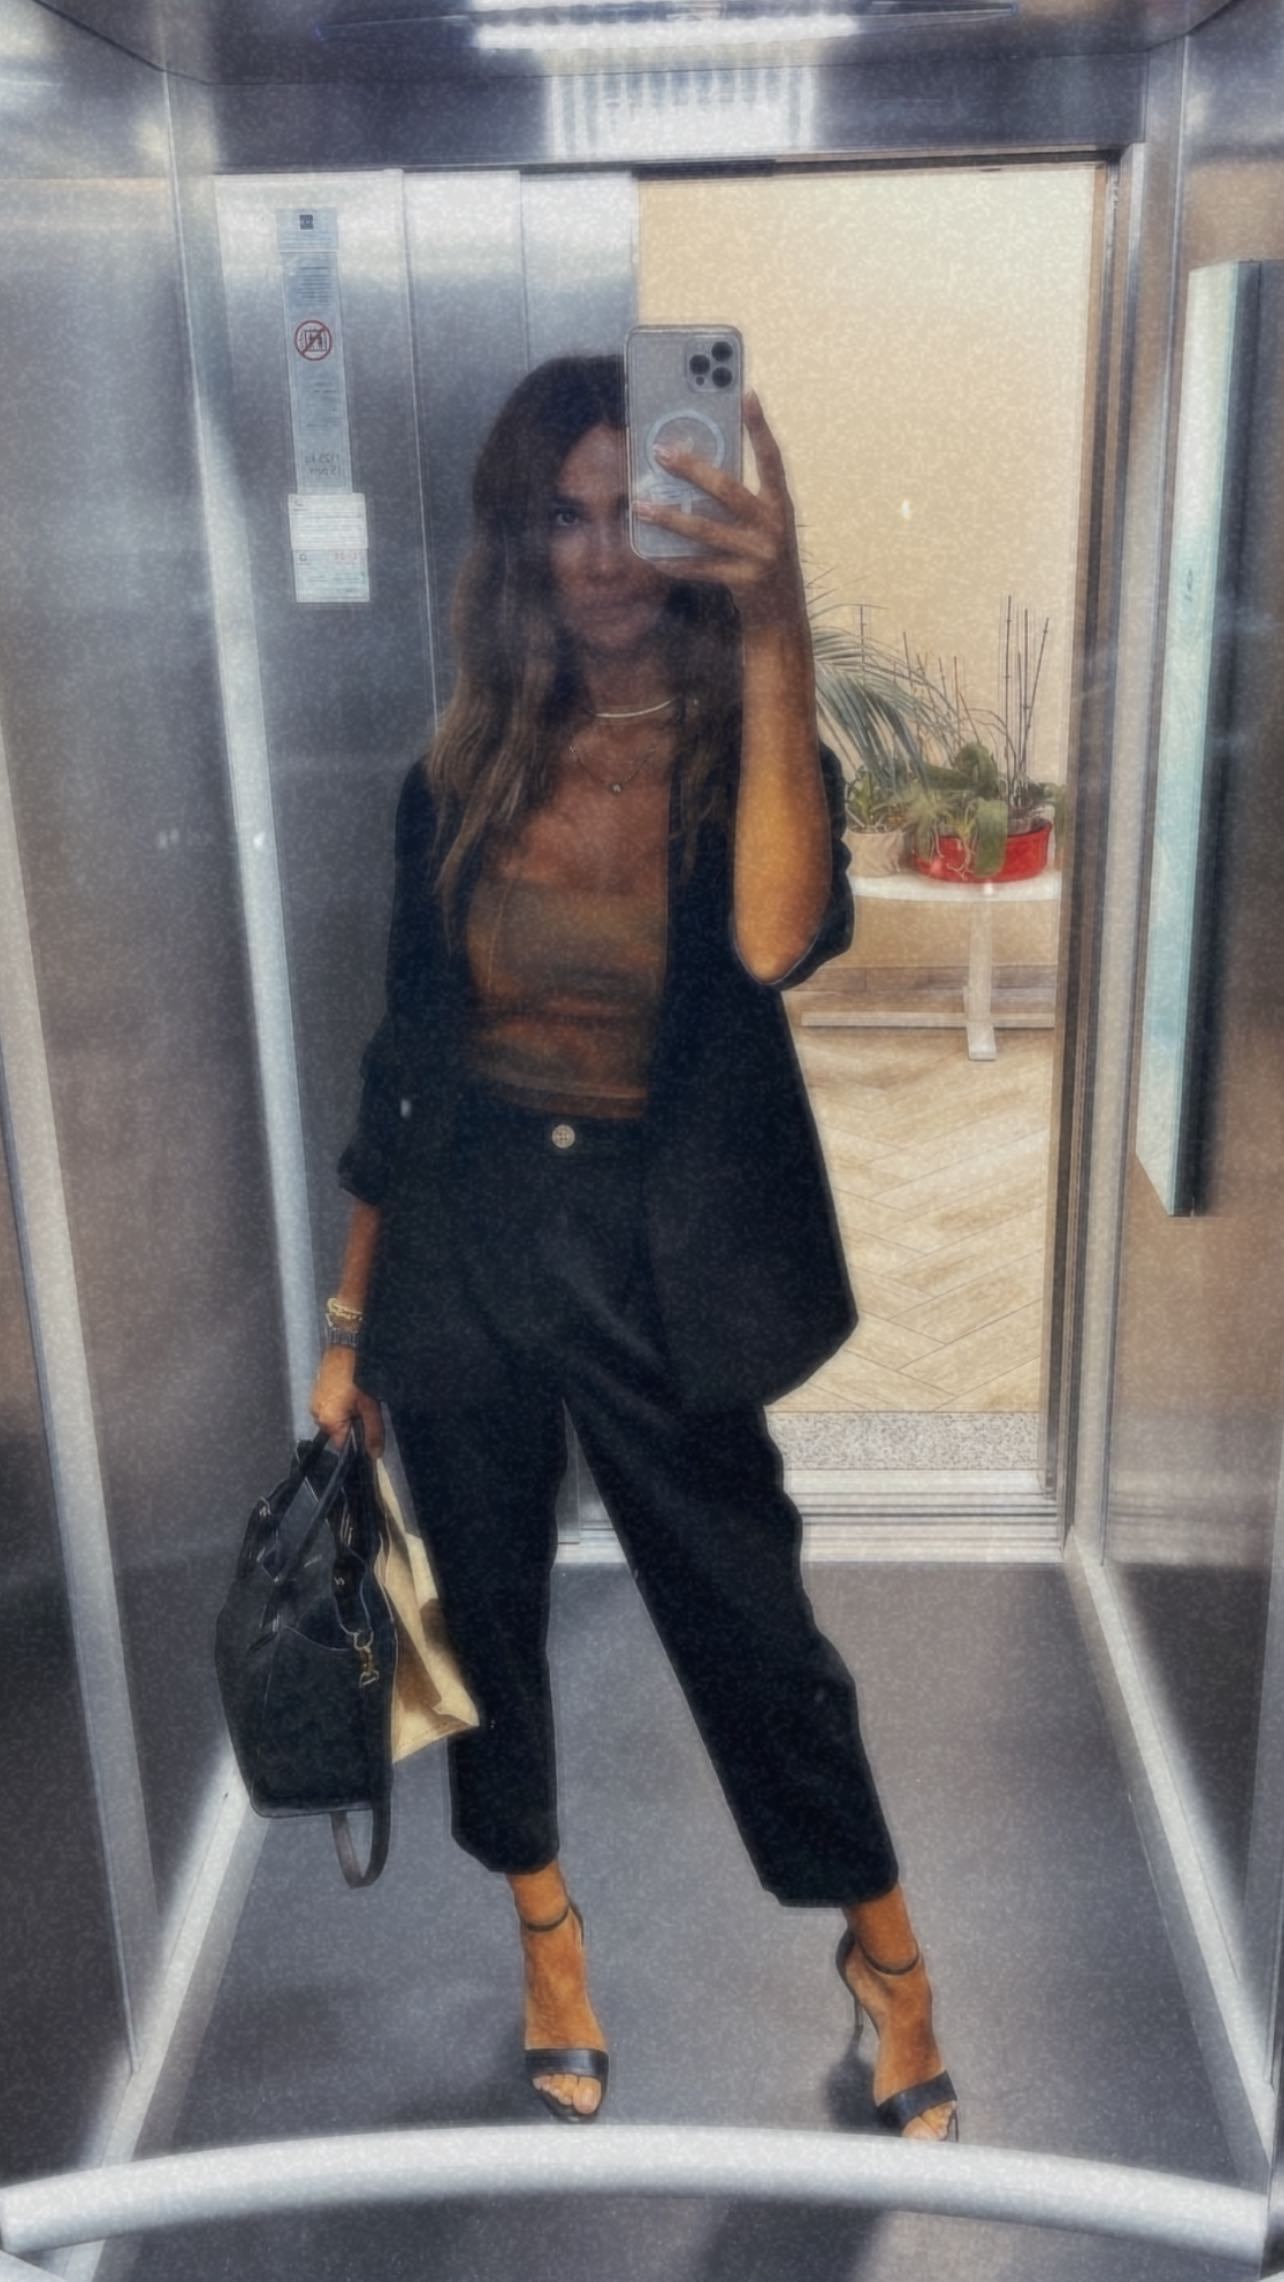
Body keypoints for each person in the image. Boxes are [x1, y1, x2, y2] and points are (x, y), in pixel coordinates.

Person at [310, 354, 958, 2141]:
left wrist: (779, 608)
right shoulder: (458, 769)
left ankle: (890, 1960)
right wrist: (352, 1315)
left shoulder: (752, 758)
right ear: (519, 541)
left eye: (633, 516)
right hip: (465, 1241)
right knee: (481, 1624)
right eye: (563, 517)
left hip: (658, 1248)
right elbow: (402, 1057)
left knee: (753, 1628)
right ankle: (548, 1938)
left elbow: (773, 937)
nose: (600, 557)